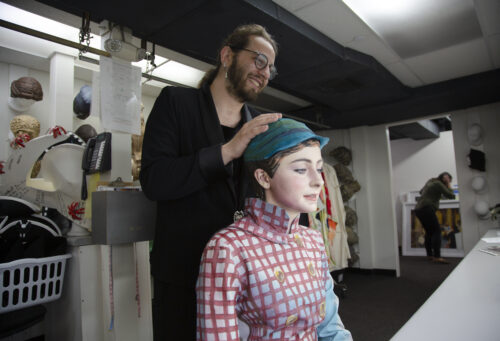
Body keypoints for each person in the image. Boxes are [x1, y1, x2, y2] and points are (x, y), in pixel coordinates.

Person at [140, 24, 281, 340]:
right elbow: (155, 181)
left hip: (244, 280)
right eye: (260, 60)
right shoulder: (176, 103)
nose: (266, 73)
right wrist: (229, 151)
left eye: (271, 67)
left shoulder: (261, 127)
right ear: (227, 55)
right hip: (184, 276)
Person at [196, 118, 352, 340]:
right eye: (300, 169)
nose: (318, 181)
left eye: (319, 169)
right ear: (264, 177)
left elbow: (330, 328)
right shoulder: (228, 247)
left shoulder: (313, 241)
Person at [414, 172, 456, 264]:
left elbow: (421, 192)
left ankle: (430, 255)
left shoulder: (431, 181)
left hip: (418, 209)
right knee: (437, 231)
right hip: (427, 208)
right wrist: (448, 183)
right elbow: (451, 195)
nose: (448, 181)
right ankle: (437, 256)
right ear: (445, 178)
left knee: (429, 232)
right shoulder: (439, 184)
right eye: (448, 179)